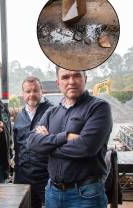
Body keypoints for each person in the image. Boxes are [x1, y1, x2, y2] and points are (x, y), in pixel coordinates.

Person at [27, 66, 112, 208]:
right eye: (65, 77)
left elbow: (86, 148)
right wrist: (64, 137)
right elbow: (31, 142)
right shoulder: (51, 112)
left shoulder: (99, 108)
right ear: (58, 82)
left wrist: (48, 144)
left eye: (77, 75)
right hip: (53, 192)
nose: (71, 81)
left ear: (85, 79)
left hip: (86, 195)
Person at [13, 76, 53, 208]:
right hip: (23, 176)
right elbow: (18, 146)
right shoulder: (20, 116)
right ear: (22, 94)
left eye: (35, 91)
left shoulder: (52, 111)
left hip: (45, 175)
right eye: (28, 91)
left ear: (42, 91)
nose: (32, 95)